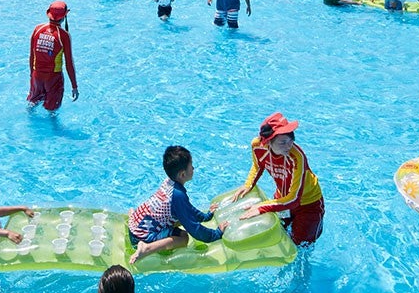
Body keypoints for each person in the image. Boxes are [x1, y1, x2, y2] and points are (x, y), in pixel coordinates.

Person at [229, 112, 324, 246]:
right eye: (283, 142)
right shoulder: (257, 146)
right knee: (275, 235)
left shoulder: (297, 157)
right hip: (282, 198)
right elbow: (258, 165)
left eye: (290, 141)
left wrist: (260, 207)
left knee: (300, 246)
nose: (288, 146)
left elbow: (294, 199)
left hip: (308, 204)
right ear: (268, 142)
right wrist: (248, 184)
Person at [127, 145, 224, 263]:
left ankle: (134, 219)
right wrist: (216, 234)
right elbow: (194, 229)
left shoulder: (169, 183)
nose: (193, 168)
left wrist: (205, 216)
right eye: (191, 166)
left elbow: (187, 209)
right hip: (141, 237)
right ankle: (147, 248)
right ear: (182, 174)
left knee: (179, 218)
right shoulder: (177, 195)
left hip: (135, 225)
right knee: (183, 237)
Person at [28, 1, 78, 111]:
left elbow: (32, 56)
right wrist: (74, 86)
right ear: (64, 16)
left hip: (37, 75)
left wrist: (32, 76)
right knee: (52, 112)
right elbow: (69, 63)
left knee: (32, 105)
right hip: (53, 78)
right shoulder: (64, 35)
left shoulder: (37, 29)